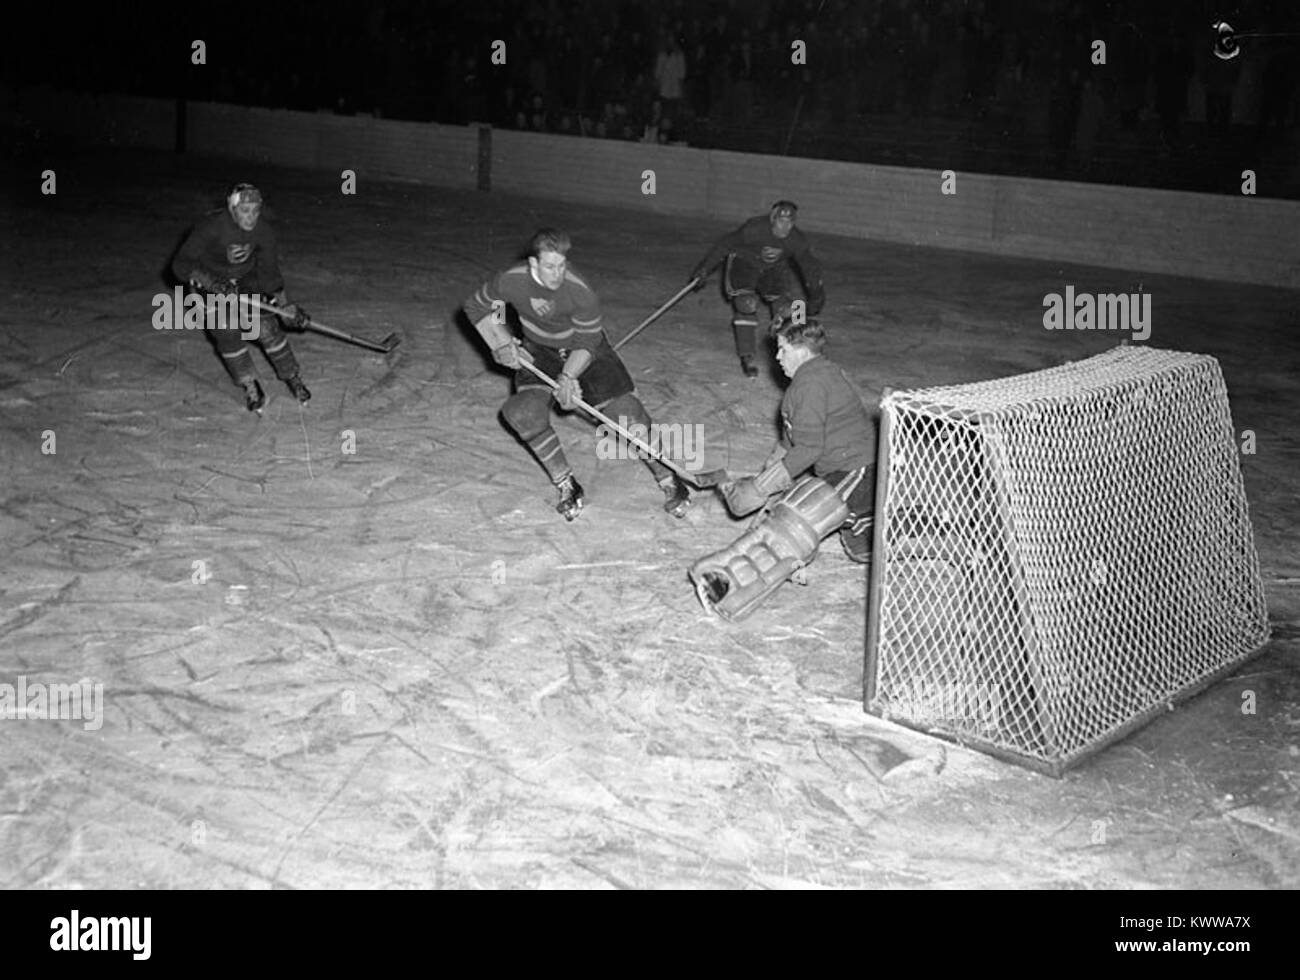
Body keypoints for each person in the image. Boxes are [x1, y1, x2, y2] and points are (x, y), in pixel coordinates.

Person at [463, 228, 692, 521]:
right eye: (549, 266)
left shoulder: (579, 291)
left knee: (626, 416)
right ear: (533, 264)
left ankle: (669, 478)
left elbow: (587, 342)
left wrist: (568, 377)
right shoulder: (511, 279)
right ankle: (566, 484)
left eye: (561, 265)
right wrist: (501, 342)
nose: (557, 274)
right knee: (521, 412)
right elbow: (481, 305)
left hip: (586, 350)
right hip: (540, 351)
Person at [722, 317, 875, 563]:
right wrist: (764, 481)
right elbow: (789, 442)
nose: (778, 357)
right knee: (858, 545)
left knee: (801, 522)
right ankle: (866, 518)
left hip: (858, 468)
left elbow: (809, 449)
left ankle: (905, 522)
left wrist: (762, 486)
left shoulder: (811, 385)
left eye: (783, 349)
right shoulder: (809, 378)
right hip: (839, 467)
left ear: (802, 351)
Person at [171, 183, 311, 413]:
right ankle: (249, 382)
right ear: (232, 208)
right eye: (245, 211)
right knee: (226, 329)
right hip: (207, 283)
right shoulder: (210, 226)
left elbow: (269, 273)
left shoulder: (263, 231)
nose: (251, 217)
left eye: (255, 211)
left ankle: (291, 375)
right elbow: (181, 264)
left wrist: (284, 305)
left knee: (266, 327)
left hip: (244, 280)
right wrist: (210, 281)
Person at [687, 201, 825, 378]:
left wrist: (817, 296)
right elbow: (725, 244)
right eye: (781, 222)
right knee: (747, 303)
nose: (785, 227)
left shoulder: (796, 240)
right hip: (744, 263)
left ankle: (796, 348)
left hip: (774, 269)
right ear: (772, 219)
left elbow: (809, 267)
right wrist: (705, 269)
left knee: (789, 307)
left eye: (789, 223)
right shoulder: (754, 229)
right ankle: (747, 354)